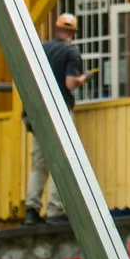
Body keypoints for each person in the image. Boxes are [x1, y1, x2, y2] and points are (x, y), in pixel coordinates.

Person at [24, 12, 87, 225]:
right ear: (73, 32)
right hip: (58, 113)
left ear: (57, 29)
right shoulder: (71, 52)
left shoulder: (42, 49)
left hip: (35, 112)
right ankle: (54, 210)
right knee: (62, 160)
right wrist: (82, 79)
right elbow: (70, 83)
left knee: (39, 164)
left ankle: (32, 209)